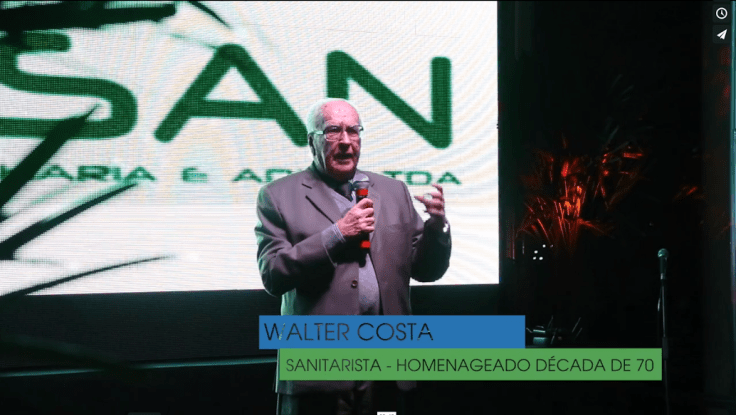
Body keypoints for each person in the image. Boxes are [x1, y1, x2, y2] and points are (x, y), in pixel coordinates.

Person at [255, 98, 452, 415]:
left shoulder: (394, 191)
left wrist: (437, 226)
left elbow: (426, 270)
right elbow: (273, 275)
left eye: (353, 130)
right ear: (312, 141)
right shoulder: (277, 195)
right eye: (333, 130)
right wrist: (337, 234)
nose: (346, 141)